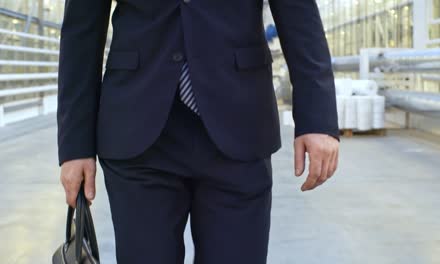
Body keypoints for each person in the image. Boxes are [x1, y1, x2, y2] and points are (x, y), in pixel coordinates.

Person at [57, 0, 340, 263]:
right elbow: (81, 31)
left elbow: (299, 13)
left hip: (239, 123)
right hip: (138, 131)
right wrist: (75, 146)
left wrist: (317, 117)